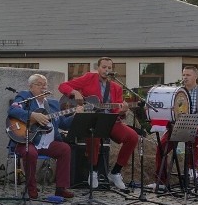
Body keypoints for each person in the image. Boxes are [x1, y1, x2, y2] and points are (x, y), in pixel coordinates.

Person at [57, 57, 139, 191]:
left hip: (110, 120)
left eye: (109, 68)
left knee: (133, 137)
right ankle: (93, 171)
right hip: (92, 119)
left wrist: (122, 111)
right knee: (94, 136)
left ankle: (115, 172)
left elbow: (116, 109)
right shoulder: (89, 78)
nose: (106, 70)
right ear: (98, 68)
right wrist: (75, 92)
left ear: (112, 70)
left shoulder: (116, 87)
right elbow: (62, 86)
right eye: (104, 67)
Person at [8, 74, 83, 199]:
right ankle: (31, 186)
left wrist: (75, 116)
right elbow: (12, 110)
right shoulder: (25, 96)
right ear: (31, 87)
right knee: (30, 152)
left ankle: (61, 188)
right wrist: (32, 115)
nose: (43, 87)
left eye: (45, 84)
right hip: (26, 140)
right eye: (39, 84)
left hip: (47, 143)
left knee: (65, 149)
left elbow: (63, 124)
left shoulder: (53, 104)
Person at [150, 66, 198, 189]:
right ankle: (161, 181)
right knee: (161, 146)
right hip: (177, 125)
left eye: (188, 75)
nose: (185, 77)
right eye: (184, 75)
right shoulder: (177, 92)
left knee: (195, 137)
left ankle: (191, 169)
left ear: (196, 77)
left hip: (196, 124)